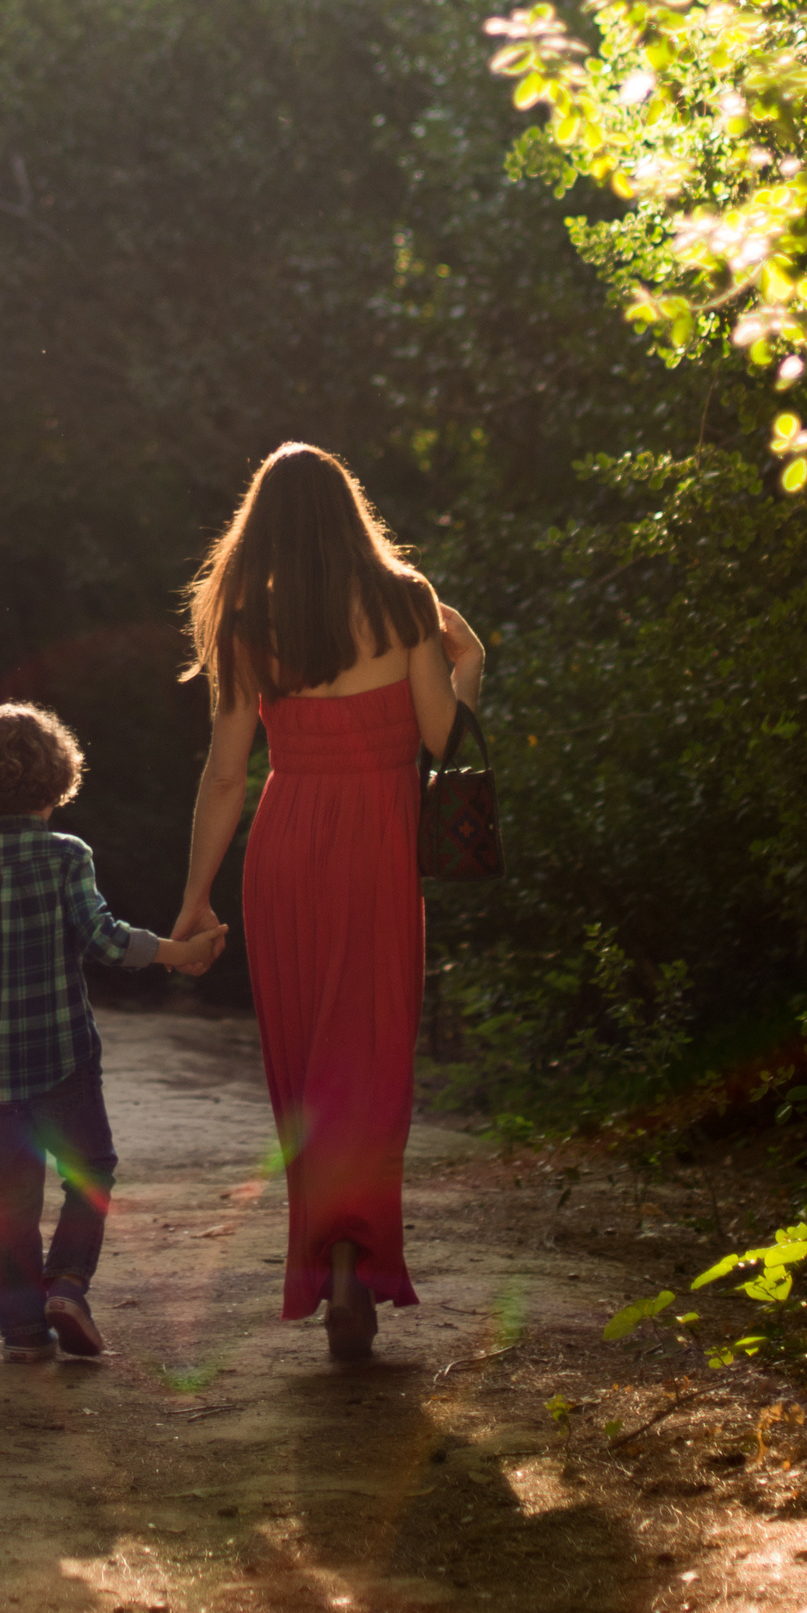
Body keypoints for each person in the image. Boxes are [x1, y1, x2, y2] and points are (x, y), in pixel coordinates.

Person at [167, 443, 484, 1361]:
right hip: (379, 851)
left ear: (259, 527)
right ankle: (354, 1259)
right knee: (370, 1060)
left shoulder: (246, 622)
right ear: (350, 514)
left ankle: (330, 1259)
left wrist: (195, 898)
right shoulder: (405, 599)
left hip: (286, 849)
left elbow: (226, 777)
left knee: (307, 1067)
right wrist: (469, 666)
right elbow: (441, 743)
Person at [0, 703, 224, 1362]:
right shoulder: (65, 856)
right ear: (57, 778)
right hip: (63, 1059)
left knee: (10, 1199)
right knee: (91, 1172)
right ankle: (68, 1286)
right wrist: (176, 951)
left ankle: (23, 1330)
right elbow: (103, 942)